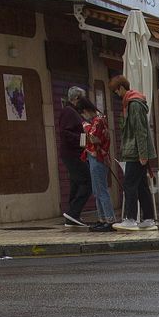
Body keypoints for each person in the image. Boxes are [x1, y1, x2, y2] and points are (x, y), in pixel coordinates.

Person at [109, 74, 157, 232]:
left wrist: (143, 154)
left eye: (116, 91)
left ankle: (130, 218)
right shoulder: (131, 103)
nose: (117, 94)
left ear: (122, 88)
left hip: (135, 152)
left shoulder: (134, 104)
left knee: (129, 184)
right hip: (136, 151)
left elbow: (140, 131)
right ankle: (149, 219)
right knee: (142, 185)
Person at [79, 99, 117, 232]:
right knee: (97, 190)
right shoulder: (97, 119)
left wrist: (85, 126)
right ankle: (102, 218)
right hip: (94, 157)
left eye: (83, 114)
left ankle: (109, 219)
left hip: (98, 157)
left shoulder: (98, 120)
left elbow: (93, 136)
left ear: (85, 111)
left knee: (101, 190)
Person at [58, 85, 91, 227]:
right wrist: (83, 139)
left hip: (73, 153)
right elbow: (65, 133)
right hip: (73, 154)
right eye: (83, 98)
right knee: (87, 181)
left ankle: (72, 217)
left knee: (76, 183)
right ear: (77, 98)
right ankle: (73, 212)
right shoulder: (69, 112)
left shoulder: (72, 111)